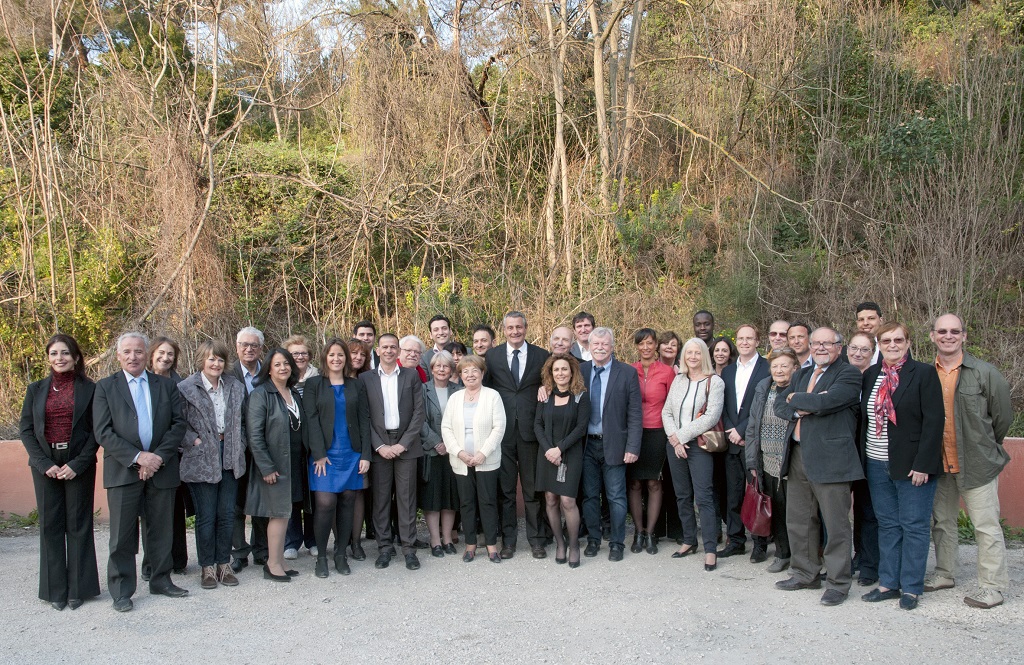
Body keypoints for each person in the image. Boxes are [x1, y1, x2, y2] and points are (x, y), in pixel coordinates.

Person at [93, 332, 188, 612]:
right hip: (124, 471)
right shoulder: (105, 387)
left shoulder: (165, 385)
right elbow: (103, 431)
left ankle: (161, 579)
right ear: (118, 355)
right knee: (122, 534)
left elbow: (178, 424)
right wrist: (138, 458)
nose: (133, 356)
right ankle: (121, 590)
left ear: (147, 354)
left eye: (138, 351)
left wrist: (156, 457)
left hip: (161, 468)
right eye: (127, 352)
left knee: (160, 530)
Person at [927, 313, 1013, 609]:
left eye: (954, 331)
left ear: (964, 336)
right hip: (940, 463)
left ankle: (991, 586)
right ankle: (944, 573)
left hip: (977, 462)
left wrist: (984, 447)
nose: (948, 336)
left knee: (986, 526)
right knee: (943, 522)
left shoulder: (985, 373)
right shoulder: (927, 374)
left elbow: (1002, 418)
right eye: (942, 331)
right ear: (933, 336)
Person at [773, 327, 862, 606]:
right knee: (799, 519)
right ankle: (804, 573)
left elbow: (828, 401)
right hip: (799, 454)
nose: (821, 348)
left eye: (828, 343)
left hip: (831, 458)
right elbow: (779, 404)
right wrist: (802, 405)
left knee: (835, 524)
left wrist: (797, 400)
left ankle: (838, 583)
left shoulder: (848, 374)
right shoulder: (801, 374)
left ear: (839, 347)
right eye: (816, 343)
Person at [859, 322, 944, 610]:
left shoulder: (923, 373)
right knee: (888, 525)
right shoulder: (871, 375)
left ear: (908, 343)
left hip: (912, 466)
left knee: (914, 526)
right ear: (878, 344)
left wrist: (924, 464)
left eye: (898, 340)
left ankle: (911, 588)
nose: (892, 345)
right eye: (886, 340)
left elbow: (934, 422)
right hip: (875, 461)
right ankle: (888, 583)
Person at [19, 334, 101, 611]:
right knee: (50, 525)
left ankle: (78, 589)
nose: (59, 358)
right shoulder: (35, 389)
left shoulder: (90, 389)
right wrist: (44, 464)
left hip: (78, 462)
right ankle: (55, 589)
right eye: (54, 354)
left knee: (78, 525)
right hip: (46, 464)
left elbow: (96, 432)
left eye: (65, 353)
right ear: (48, 358)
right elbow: (26, 430)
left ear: (76, 357)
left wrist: (78, 464)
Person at [177, 340, 247, 590]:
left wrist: (240, 443)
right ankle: (207, 567)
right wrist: (192, 441)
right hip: (201, 456)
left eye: (219, 359)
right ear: (201, 360)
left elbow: (244, 420)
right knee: (206, 516)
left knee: (227, 514)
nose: (216, 363)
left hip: (230, 453)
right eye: (211, 359)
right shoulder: (186, 388)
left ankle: (223, 564)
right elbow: (177, 422)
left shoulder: (235, 387)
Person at [484, 311, 550, 559]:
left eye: (519, 327)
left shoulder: (542, 355)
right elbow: (485, 389)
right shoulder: (492, 355)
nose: (515, 331)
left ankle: (537, 540)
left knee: (533, 491)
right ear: (504, 330)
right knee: (506, 490)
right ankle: (509, 541)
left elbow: (550, 383)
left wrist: (546, 386)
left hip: (531, 431)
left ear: (526, 328)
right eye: (510, 327)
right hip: (502, 432)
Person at [303, 338, 371, 578]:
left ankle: (341, 553)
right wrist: (318, 454)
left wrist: (365, 455)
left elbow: (364, 420)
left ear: (346, 359)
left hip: (351, 454)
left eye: (340, 355)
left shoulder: (356, 385)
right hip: (324, 457)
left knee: (347, 504)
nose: (336, 359)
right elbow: (310, 420)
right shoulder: (314, 385)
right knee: (324, 504)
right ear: (325, 358)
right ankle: (322, 556)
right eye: (332, 355)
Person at [362, 333, 426, 571]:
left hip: (406, 444)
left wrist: (403, 444)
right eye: (384, 347)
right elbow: (364, 416)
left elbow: (419, 413)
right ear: (377, 351)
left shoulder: (411, 376)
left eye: (393, 347)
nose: (389, 351)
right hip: (379, 445)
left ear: (398, 351)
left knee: (407, 499)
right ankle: (384, 548)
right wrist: (379, 446)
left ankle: (409, 549)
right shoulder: (365, 378)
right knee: (380, 500)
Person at [662, 338, 725, 571]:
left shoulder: (714, 382)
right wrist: (674, 439)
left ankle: (710, 549)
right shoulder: (678, 380)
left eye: (697, 353)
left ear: (704, 356)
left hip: (698, 446)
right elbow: (666, 411)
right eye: (689, 352)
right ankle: (689, 540)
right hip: (675, 445)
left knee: (704, 497)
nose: (693, 356)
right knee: (682, 495)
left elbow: (711, 416)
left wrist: (682, 436)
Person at [579, 327, 642, 562]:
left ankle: (617, 543)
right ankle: (594, 540)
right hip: (586, 445)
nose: (600, 347)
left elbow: (635, 413)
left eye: (604, 344)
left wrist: (633, 447)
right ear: (589, 346)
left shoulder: (626, 373)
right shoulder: (581, 371)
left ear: (612, 346)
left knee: (616, 497)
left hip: (615, 444)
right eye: (595, 343)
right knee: (589, 496)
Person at [245, 348, 308, 582]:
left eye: (286, 364)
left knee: (286, 513)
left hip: (293, 462)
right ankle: (272, 564)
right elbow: (254, 436)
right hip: (274, 465)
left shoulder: (293, 393)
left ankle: (279, 560)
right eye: (277, 364)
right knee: (278, 515)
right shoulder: (261, 394)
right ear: (269, 368)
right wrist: (266, 467)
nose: (283, 368)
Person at [442, 355, 507, 563]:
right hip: (461, 461)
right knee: (467, 503)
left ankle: (491, 545)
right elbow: (446, 428)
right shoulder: (454, 398)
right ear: (460, 376)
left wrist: (482, 454)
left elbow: (499, 428)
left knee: (488, 502)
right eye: (465, 371)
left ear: (482, 373)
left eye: (474, 371)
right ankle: (470, 545)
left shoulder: (492, 396)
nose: (470, 375)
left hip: (486, 460)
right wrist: (460, 452)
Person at [745, 347, 799, 574]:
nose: (779, 370)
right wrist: (752, 461)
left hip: (792, 460)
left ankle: (802, 558)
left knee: (797, 512)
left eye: (784, 365)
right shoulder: (763, 388)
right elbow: (752, 426)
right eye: (775, 365)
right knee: (776, 509)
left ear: (795, 368)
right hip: (767, 459)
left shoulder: (801, 389)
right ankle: (782, 553)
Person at [534, 353, 591, 568]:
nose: (560, 373)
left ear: (572, 371)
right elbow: (537, 425)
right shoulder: (545, 395)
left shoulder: (580, 396)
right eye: (556, 369)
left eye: (564, 369)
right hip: (547, 453)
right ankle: (560, 543)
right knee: (550, 499)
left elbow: (581, 428)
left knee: (568, 501)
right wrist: (549, 449)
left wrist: (559, 449)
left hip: (570, 453)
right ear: (551, 372)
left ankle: (574, 545)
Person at [720, 324, 771, 561]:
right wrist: (732, 429)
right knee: (734, 493)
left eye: (750, 338)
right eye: (740, 338)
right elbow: (724, 404)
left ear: (758, 341)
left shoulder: (767, 368)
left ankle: (760, 544)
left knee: (757, 492)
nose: (745, 342)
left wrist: (741, 430)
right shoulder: (728, 371)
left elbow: (763, 407)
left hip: (755, 442)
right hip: (731, 440)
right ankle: (736, 540)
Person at [143, 336, 189, 579]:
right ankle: (151, 563)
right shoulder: (142, 382)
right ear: (152, 355)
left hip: (174, 454)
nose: (165, 358)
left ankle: (178, 559)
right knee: (150, 513)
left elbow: (181, 422)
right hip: (144, 456)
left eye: (170, 354)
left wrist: (163, 453)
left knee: (174, 511)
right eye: (161, 353)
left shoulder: (180, 384)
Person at [627, 328, 675, 555]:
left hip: (658, 432)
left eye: (649, 343)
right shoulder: (629, 371)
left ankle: (650, 533)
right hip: (634, 432)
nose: (645, 347)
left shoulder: (667, 372)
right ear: (636, 346)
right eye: (641, 343)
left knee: (654, 483)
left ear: (656, 345)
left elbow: (674, 405)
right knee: (635, 483)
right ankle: (638, 531)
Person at [230, 326, 267, 573]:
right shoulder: (227, 373)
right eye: (244, 344)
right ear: (237, 347)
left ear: (261, 348)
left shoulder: (270, 372)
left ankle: (262, 550)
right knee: (236, 504)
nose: (249, 349)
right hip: (237, 448)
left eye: (254, 345)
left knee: (263, 501)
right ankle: (239, 552)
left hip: (264, 448)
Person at [420, 351, 463, 557]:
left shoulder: (460, 390)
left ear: (451, 369)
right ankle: (435, 540)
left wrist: (451, 444)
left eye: (446, 366)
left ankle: (447, 538)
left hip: (454, 452)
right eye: (437, 366)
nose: (441, 369)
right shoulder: (422, 390)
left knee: (450, 497)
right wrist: (436, 442)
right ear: (431, 368)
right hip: (431, 452)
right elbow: (418, 420)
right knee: (433, 498)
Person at [846, 330, 880, 586]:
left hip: (869, 452)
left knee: (867, 510)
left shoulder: (877, 378)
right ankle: (852, 557)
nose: (858, 353)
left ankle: (869, 563)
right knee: (844, 510)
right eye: (854, 348)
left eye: (864, 349)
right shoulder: (841, 375)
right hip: (843, 453)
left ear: (872, 352)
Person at [283, 335, 318, 560]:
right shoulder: (283, 380)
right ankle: (291, 541)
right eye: (295, 353)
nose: (299, 357)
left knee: (313, 493)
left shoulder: (318, 378)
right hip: (290, 445)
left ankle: (313, 539)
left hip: (314, 444)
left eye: (303, 353)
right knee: (293, 493)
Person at [855, 302, 884, 366]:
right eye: (861, 319)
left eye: (871, 318)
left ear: (881, 320)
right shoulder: (845, 352)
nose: (865, 323)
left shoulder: (892, 348)